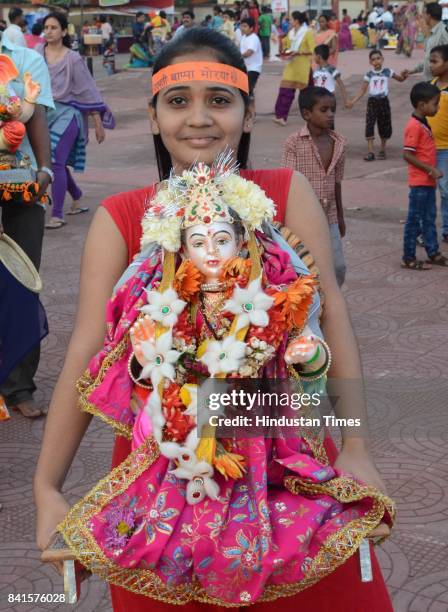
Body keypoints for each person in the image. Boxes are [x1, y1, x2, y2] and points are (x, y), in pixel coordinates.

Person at [35, 26, 394, 612]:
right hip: (164, 474)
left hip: (288, 459)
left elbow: (334, 319)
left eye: (219, 100)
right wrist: (46, 487)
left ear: (248, 115)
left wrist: (355, 448)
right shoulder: (121, 219)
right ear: (153, 118)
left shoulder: (284, 193)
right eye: (178, 102)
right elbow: (85, 351)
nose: (198, 118)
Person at [0, 33, 54, 418]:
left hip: (20, 188)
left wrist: (46, 170)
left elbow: (38, 119)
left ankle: (19, 386)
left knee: (23, 281)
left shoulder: (26, 61)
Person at [37, 12, 114, 229]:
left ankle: (58, 214)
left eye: (54, 27)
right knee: (49, 162)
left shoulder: (73, 58)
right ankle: (77, 195)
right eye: (47, 27)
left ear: (63, 31)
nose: (49, 31)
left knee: (55, 162)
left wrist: (97, 123)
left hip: (67, 115)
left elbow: (87, 91)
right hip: (42, 115)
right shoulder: (36, 53)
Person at [281, 86, 347, 286]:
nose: (330, 115)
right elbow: (287, 181)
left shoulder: (340, 143)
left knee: (337, 267)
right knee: (305, 265)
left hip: (331, 216)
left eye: (333, 109)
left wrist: (341, 216)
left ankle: (330, 303)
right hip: (303, 216)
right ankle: (312, 309)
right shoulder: (294, 142)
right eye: (324, 110)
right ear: (307, 114)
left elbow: (337, 183)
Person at [402, 82, 448, 269]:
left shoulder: (423, 122)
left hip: (428, 182)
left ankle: (433, 251)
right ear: (422, 105)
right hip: (419, 183)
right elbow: (407, 154)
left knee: (429, 218)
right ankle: (409, 256)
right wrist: (430, 169)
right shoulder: (414, 126)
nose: (437, 108)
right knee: (414, 220)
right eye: (435, 104)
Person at [347, 49, 407, 161]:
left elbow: (400, 79)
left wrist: (405, 75)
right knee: (369, 124)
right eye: (373, 60)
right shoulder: (369, 75)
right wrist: (353, 101)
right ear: (370, 62)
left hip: (384, 101)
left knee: (384, 125)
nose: (376, 61)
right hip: (372, 102)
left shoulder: (388, 71)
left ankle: (383, 149)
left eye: (378, 58)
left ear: (383, 59)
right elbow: (362, 90)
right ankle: (370, 152)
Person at [273, 11, 315, 126]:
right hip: (291, 65)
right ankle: (281, 116)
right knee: (285, 91)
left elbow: (313, 50)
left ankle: (314, 115)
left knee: (307, 94)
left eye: (290, 19)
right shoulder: (291, 32)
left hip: (303, 67)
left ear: (296, 20)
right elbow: (285, 44)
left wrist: (299, 52)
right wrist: (283, 48)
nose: (289, 21)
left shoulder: (308, 33)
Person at [427, 44, 448, 243]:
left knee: (446, 190)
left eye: (435, 61)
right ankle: (426, 231)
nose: (431, 65)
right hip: (428, 149)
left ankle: (447, 230)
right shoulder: (431, 86)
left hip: (445, 149)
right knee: (425, 193)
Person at [408, 3, 448, 79]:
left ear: (429, 16)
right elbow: (429, 59)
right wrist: (413, 70)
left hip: (438, 83)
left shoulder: (443, 33)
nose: (422, 16)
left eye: (424, 13)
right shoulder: (432, 33)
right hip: (430, 81)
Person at [240, 17, 263, 94]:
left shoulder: (254, 38)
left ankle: (249, 103)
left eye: (245, 26)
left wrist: (236, 56)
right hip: (244, 67)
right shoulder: (243, 37)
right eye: (242, 26)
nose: (242, 28)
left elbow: (249, 53)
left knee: (247, 89)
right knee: (245, 89)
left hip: (253, 68)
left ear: (251, 28)